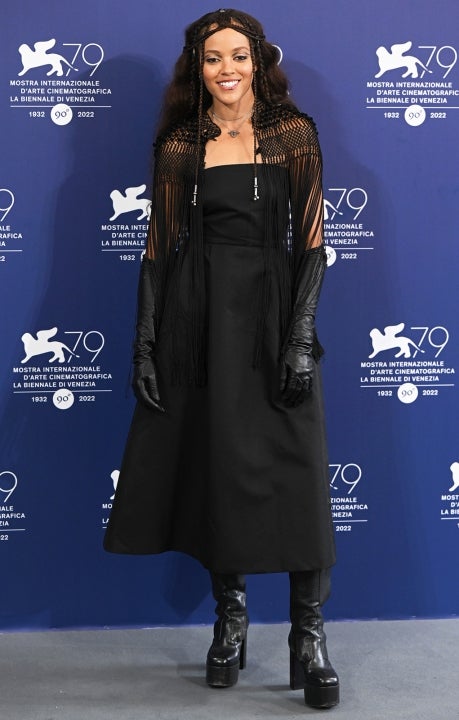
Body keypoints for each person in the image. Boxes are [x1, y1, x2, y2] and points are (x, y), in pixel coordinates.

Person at [104, 8, 339, 709]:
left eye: (238, 56)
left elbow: (312, 244)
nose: (226, 70)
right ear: (197, 68)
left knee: (298, 476)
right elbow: (157, 250)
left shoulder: (293, 134)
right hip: (198, 325)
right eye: (212, 58)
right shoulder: (181, 144)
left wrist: (299, 337)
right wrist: (145, 344)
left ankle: (308, 638)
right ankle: (229, 626)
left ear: (259, 61)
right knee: (219, 474)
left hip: (273, 319)